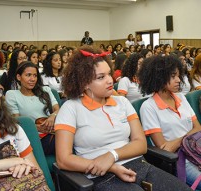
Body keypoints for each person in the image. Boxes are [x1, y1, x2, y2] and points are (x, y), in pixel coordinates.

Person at [54, 46, 191, 191]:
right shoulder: (71, 108)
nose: (109, 80)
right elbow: (63, 159)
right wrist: (111, 167)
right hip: (100, 174)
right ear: (84, 83)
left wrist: (112, 155)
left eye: (109, 74)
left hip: (139, 165)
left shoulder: (122, 102)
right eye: (101, 77)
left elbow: (141, 144)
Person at [138, 55, 201, 189]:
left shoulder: (181, 98)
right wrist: (186, 139)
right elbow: (164, 148)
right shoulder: (149, 107)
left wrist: (180, 141)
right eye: (173, 76)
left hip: (196, 148)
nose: (179, 80)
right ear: (159, 78)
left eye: (179, 75)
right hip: (180, 159)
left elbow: (198, 127)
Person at [5, 61, 59, 155]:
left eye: (35, 75)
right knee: (65, 140)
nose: (32, 79)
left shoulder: (45, 90)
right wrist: (36, 128)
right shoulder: (12, 95)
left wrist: (52, 117)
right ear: (19, 77)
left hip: (53, 130)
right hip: (33, 137)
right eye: (28, 75)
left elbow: (57, 109)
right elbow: (17, 122)